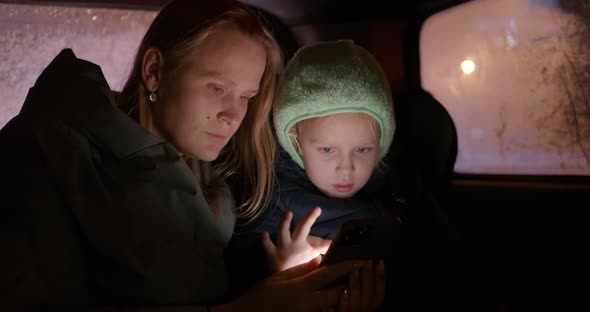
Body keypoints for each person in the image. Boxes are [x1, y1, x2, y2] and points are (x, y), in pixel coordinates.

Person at [0, 1, 384, 311]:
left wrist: (289, 278)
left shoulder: (216, 180)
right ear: (154, 72)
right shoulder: (45, 152)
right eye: (217, 88)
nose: (233, 115)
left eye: (246, 97)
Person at [226, 40, 396, 300]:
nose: (346, 168)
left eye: (362, 150)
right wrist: (284, 273)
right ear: (295, 142)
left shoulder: (395, 194)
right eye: (327, 150)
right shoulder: (269, 205)